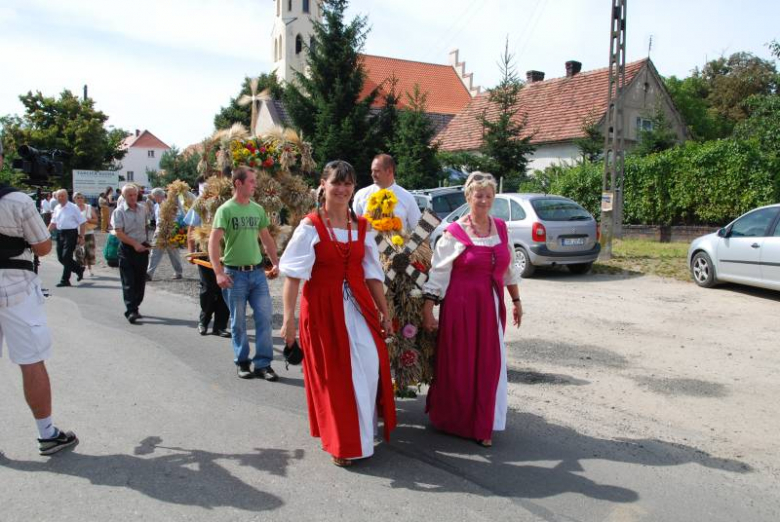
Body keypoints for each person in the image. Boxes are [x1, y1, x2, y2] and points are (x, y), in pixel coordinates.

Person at [279, 160, 397, 467]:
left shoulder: (362, 227)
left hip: (359, 307)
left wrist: (384, 313)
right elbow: (293, 277)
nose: (342, 189)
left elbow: (372, 274)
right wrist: (288, 320)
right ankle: (343, 443)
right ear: (323, 185)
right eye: (336, 183)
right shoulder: (311, 226)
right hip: (322, 309)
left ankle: (361, 432)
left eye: (348, 183)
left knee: (369, 366)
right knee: (336, 377)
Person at [421, 172, 522, 448]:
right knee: (460, 364)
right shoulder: (454, 232)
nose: (484, 200)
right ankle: (455, 419)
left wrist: (516, 301)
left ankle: (483, 422)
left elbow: (509, 269)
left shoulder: (501, 228)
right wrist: (428, 310)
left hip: (490, 307)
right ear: (468, 197)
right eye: (479, 195)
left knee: (488, 363)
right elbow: (439, 274)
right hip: (461, 308)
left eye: (489, 195)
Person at [0, 142, 79, 455]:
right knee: (31, 361)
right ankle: (47, 434)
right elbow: (43, 248)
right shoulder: (17, 201)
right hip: (15, 287)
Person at [208, 167, 280, 380]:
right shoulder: (225, 210)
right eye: (251, 181)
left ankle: (263, 364)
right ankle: (242, 361)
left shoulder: (257, 209)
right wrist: (218, 272)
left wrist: (276, 263)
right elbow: (213, 242)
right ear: (238, 183)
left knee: (264, 318)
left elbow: (266, 239)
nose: (255, 185)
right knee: (238, 322)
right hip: (234, 274)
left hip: (257, 273)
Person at [184, 206, 230, 337]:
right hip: (204, 249)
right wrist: (191, 251)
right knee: (208, 288)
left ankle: (220, 326)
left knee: (225, 288)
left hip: (226, 250)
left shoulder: (230, 203)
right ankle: (204, 321)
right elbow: (192, 227)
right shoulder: (201, 203)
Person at [111, 184, 150, 324]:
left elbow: (146, 226)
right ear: (124, 196)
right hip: (127, 249)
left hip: (142, 247)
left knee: (140, 281)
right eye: (129, 195)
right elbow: (119, 233)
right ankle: (131, 310)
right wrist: (134, 244)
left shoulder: (143, 209)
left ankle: (135, 305)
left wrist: (146, 242)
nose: (133, 197)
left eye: (134, 194)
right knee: (128, 281)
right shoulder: (119, 212)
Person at [352, 153, 421, 231]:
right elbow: (352, 227)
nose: (372, 174)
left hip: (397, 239)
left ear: (389, 171)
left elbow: (421, 231)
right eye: (372, 171)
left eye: (377, 171)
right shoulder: (361, 195)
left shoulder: (407, 197)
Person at [48, 189, 86, 287]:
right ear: (56, 197)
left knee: (66, 257)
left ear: (67, 197)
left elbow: (82, 222)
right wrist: (46, 233)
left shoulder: (73, 207)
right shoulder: (57, 208)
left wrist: (81, 237)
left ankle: (65, 280)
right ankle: (78, 269)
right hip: (60, 233)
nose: (61, 198)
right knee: (61, 258)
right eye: (59, 196)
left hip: (71, 233)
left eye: (63, 196)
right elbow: (53, 223)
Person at [146, 188, 183, 281]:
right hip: (159, 230)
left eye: (154, 197)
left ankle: (178, 272)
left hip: (171, 229)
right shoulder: (156, 206)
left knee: (173, 252)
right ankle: (149, 273)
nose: (153, 199)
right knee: (155, 251)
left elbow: (179, 215)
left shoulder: (170, 204)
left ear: (158, 196)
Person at [73, 192, 98, 276]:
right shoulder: (73, 208)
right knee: (78, 252)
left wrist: (88, 220)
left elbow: (96, 220)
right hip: (77, 233)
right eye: (78, 198)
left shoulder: (88, 207)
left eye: (81, 197)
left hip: (88, 232)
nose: (80, 199)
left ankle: (90, 269)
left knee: (89, 251)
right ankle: (80, 269)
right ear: (74, 199)